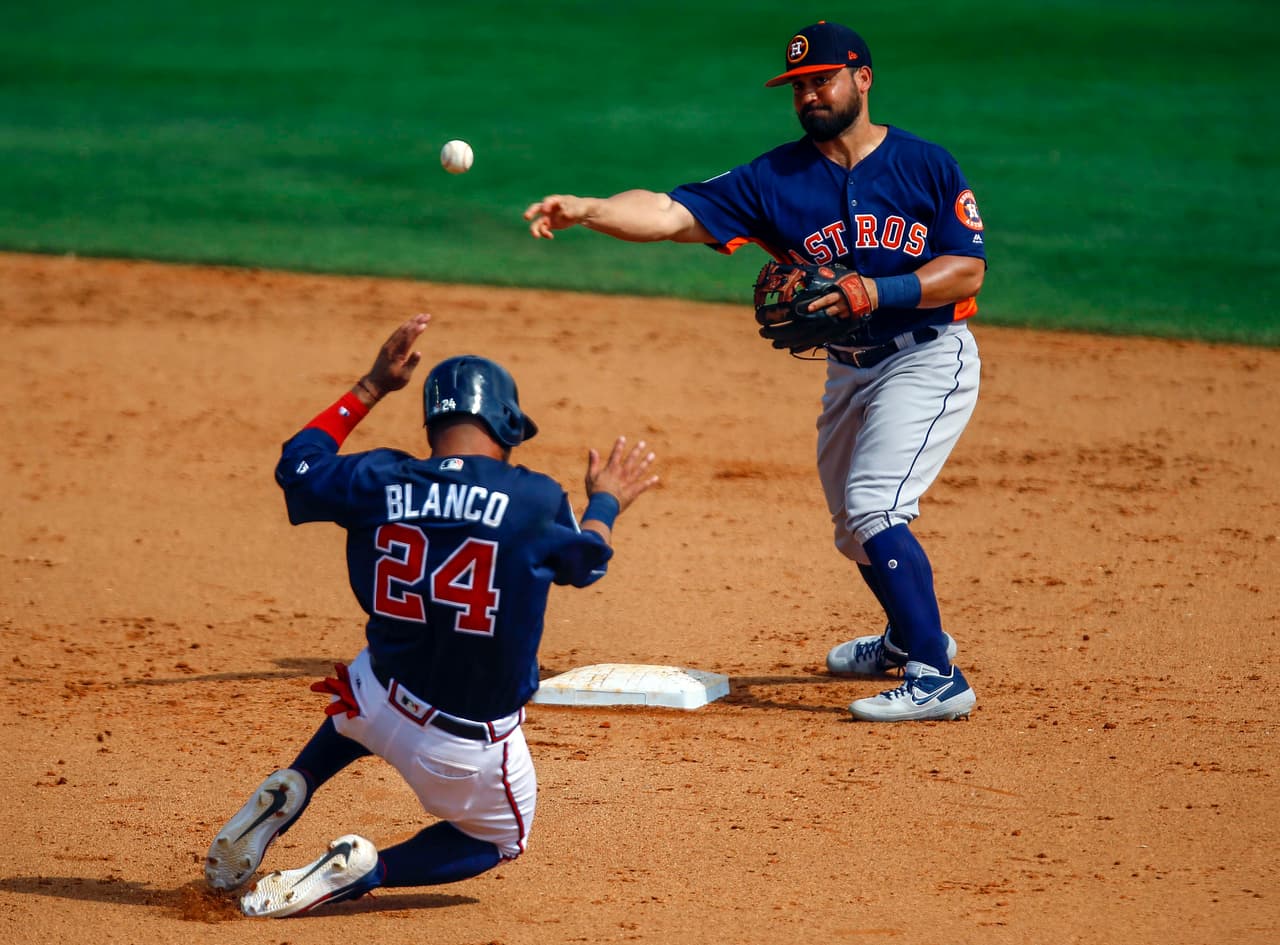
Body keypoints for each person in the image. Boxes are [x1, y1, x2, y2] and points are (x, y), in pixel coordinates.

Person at [524, 21, 985, 722]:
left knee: (874, 505)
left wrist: (876, 291)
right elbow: (671, 212)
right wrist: (590, 210)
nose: (809, 95)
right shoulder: (776, 178)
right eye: (798, 86)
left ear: (862, 78)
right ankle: (905, 633)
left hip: (928, 354)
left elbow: (967, 269)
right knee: (852, 524)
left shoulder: (926, 165)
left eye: (822, 80)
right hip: (849, 370)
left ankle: (937, 673)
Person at [204, 313, 658, 917]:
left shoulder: (378, 476)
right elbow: (587, 561)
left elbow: (299, 462)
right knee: (500, 840)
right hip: (459, 748)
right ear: (505, 424)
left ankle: (299, 782)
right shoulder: (533, 497)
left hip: (373, 694)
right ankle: (365, 870)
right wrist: (605, 499)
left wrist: (371, 386)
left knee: (360, 704)